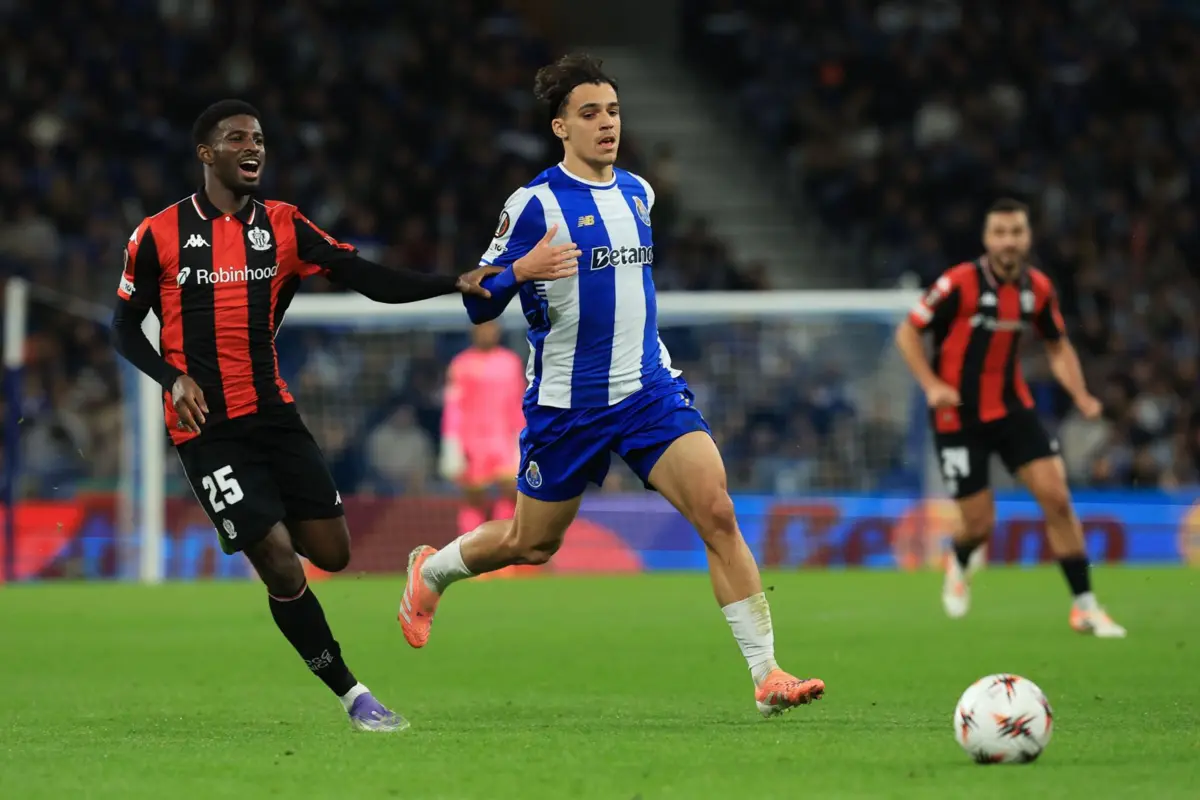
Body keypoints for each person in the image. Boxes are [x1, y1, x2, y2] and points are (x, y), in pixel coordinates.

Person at [399, 54, 825, 717]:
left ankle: (767, 674)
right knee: (531, 543)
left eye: (614, 112)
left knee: (716, 512)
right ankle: (431, 571)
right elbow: (478, 302)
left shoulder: (639, 193)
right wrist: (523, 269)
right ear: (560, 127)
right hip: (568, 404)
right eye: (591, 114)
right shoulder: (534, 205)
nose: (607, 125)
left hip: (648, 390)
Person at [110, 99, 522, 732]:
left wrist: (451, 282)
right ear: (206, 153)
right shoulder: (158, 234)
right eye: (237, 138)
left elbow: (367, 277)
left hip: (273, 416)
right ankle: (354, 695)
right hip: (205, 429)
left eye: (259, 138)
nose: (253, 147)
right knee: (277, 559)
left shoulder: (284, 225)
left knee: (330, 553)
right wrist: (172, 376)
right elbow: (123, 328)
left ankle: (281, 543)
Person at [895, 197, 1126, 638]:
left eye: (1016, 232)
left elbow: (1057, 345)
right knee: (980, 524)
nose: (1008, 241)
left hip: (1012, 408)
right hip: (957, 417)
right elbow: (908, 331)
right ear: (987, 239)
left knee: (1057, 499)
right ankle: (959, 562)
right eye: (1000, 233)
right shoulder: (958, 283)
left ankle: (1085, 607)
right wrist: (932, 385)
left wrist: (1080, 394)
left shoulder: (1037, 288)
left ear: (1027, 237)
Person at [439, 321, 526, 538]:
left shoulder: (510, 362)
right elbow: (454, 407)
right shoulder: (461, 364)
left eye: (492, 328)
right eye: (483, 328)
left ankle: (503, 559)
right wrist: (451, 444)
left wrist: (521, 439)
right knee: (473, 499)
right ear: (474, 331)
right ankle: (471, 555)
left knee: (510, 496)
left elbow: (518, 404)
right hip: (472, 444)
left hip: (504, 442)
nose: (488, 332)